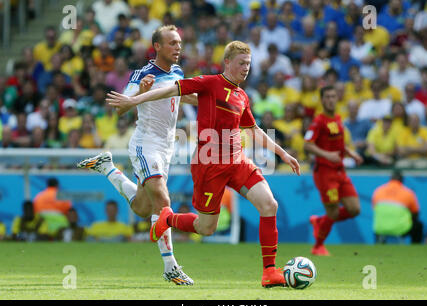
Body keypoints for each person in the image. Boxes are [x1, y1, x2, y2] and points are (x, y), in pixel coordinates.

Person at [106, 40, 301, 288]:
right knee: (206, 228)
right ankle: (167, 218)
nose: (246, 68)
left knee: (269, 204)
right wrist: (135, 100)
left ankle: (270, 271)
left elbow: (253, 129)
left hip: (238, 161)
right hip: (209, 164)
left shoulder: (242, 96)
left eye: (249, 64)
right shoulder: (210, 83)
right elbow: (171, 90)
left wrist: (283, 154)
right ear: (227, 62)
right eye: (241, 63)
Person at [77, 25, 194, 285]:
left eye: (179, 43)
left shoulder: (177, 71)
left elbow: (181, 95)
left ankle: (107, 167)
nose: (178, 47)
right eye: (173, 43)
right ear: (158, 47)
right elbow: (121, 106)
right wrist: (140, 91)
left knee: (143, 208)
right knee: (162, 198)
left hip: (166, 147)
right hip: (146, 144)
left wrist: (214, 100)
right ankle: (170, 267)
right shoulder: (143, 73)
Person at [304, 86, 363, 256]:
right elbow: (307, 144)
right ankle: (318, 247)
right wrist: (327, 155)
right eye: (327, 97)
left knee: (354, 209)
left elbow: (339, 144)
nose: (330, 99)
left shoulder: (337, 119)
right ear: (322, 100)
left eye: (333, 96)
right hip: (324, 173)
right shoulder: (318, 122)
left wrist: (351, 153)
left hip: (340, 172)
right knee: (333, 212)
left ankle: (320, 221)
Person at [372, 170, 423, 244]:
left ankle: (379, 243)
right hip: (400, 229)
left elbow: (375, 209)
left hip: (380, 228)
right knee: (418, 225)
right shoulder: (408, 193)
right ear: (402, 180)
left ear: (390, 179)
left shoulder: (378, 191)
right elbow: (415, 214)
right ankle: (415, 250)